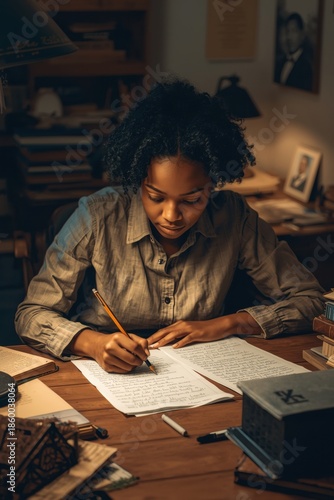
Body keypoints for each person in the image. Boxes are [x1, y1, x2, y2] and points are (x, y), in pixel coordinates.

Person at [15, 77, 325, 373]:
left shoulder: (235, 217)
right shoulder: (97, 217)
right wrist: (94, 344)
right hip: (105, 374)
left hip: (208, 371)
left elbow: (311, 300)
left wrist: (229, 323)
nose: (171, 215)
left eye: (192, 200)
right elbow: (31, 315)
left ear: (213, 184)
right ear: (139, 180)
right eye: (156, 197)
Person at [274, 12, 313, 91]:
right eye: (288, 31)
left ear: (302, 35)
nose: (289, 37)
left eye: (294, 31)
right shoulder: (279, 62)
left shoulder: (307, 68)